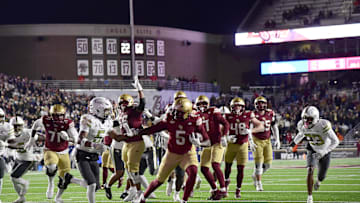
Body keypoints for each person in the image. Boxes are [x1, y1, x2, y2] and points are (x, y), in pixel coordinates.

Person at [134, 98, 211, 203]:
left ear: (187, 113)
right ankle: (143, 198)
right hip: (172, 153)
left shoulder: (194, 120)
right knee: (159, 181)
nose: (175, 113)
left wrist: (199, 143)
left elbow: (207, 141)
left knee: (193, 172)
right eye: (175, 110)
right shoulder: (170, 118)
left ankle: (184, 200)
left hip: (187, 153)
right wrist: (141, 132)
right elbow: (156, 128)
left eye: (178, 112)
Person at [24, 104, 83, 203]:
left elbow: (76, 138)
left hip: (64, 151)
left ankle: (58, 197)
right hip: (50, 149)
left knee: (64, 177)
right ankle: (50, 183)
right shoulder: (46, 120)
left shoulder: (68, 123)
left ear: (64, 115)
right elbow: (35, 125)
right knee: (51, 167)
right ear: (51, 115)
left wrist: (68, 138)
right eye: (55, 115)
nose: (58, 118)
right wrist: (31, 140)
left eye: (60, 115)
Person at [290, 106, 339, 203]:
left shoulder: (323, 125)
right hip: (312, 148)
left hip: (325, 150)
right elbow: (301, 134)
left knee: (322, 175)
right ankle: (309, 197)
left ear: (316, 118)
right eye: (304, 118)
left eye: (309, 119)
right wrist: (292, 145)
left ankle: (319, 181)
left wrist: (324, 152)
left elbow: (335, 141)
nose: (306, 121)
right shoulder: (301, 125)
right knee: (310, 169)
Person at [109, 76, 146, 202]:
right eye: (121, 102)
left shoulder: (134, 110)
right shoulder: (120, 114)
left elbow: (142, 104)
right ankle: (133, 191)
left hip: (136, 142)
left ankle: (140, 195)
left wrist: (139, 90)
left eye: (125, 102)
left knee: (133, 169)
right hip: (127, 143)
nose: (123, 105)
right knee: (128, 170)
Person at [224, 97, 264, 198]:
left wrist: (251, 131)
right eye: (235, 106)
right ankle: (225, 186)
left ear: (243, 107)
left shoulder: (248, 115)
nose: (237, 108)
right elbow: (220, 129)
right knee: (227, 168)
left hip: (243, 145)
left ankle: (238, 190)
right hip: (231, 145)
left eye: (239, 106)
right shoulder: (227, 116)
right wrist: (226, 137)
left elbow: (261, 126)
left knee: (240, 169)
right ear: (231, 107)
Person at [76, 97, 114, 203]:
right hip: (82, 153)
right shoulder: (88, 119)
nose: (108, 113)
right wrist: (96, 145)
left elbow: (115, 134)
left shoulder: (107, 122)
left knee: (96, 186)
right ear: (97, 109)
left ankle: (70, 179)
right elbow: (80, 140)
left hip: (94, 155)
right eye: (106, 110)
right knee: (91, 184)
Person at [194, 95, 229, 200]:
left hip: (217, 142)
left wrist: (224, 136)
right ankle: (214, 189)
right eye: (199, 104)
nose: (202, 106)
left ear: (208, 104)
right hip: (207, 144)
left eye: (203, 103)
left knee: (215, 164)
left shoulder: (213, 111)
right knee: (204, 168)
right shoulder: (196, 115)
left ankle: (223, 189)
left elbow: (225, 123)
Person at [251, 96, 281, 191]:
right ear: (255, 105)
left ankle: (255, 175)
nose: (260, 105)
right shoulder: (252, 115)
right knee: (259, 163)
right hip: (257, 139)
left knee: (268, 164)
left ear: (266, 104)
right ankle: (259, 183)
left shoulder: (270, 113)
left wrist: (277, 139)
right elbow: (249, 130)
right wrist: (250, 141)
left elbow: (274, 127)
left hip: (267, 140)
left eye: (262, 103)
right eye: (258, 103)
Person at [7, 116, 37, 203]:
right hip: (18, 158)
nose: (17, 128)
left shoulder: (27, 132)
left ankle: (25, 183)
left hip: (28, 159)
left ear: (22, 125)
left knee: (14, 177)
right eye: (14, 126)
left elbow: (40, 137)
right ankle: (21, 198)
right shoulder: (8, 135)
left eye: (18, 125)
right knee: (13, 179)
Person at [0, 108, 15, 203]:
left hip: (0, 155)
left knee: (0, 177)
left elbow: (12, 142)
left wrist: (5, 145)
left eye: (1, 117)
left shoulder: (7, 127)